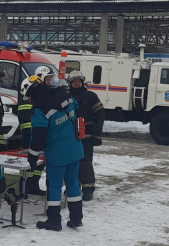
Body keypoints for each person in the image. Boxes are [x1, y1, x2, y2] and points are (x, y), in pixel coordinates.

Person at [21, 75, 84, 231]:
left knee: (54, 186)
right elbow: (78, 112)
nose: (29, 99)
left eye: (29, 96)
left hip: (57, 153)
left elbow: (38, 136)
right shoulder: (65, 94)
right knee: (73, 183)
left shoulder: (39, 109)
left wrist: (32, 157)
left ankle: (54, 221)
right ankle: (76, 219)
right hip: (75, 148)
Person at [67, 70, 105, 201]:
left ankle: (88, 189)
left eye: (79, 81)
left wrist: (97, 135)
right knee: (71, 162)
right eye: (74, 82)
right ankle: (73, 187)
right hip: (70, 137)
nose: (77, 84)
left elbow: (100, 115)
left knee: (85, 163)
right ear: (70, 84)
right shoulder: (66, 97)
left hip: (87, 137)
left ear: (82, 83)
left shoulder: (91, 96)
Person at [17, 78, 45, 196]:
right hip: (29, 135)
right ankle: (23, 187)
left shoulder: (38, 99)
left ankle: (34, 185)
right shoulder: (27, 98)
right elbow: (25, 118)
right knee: (26, 162)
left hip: (37, 135)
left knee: (39, 162)